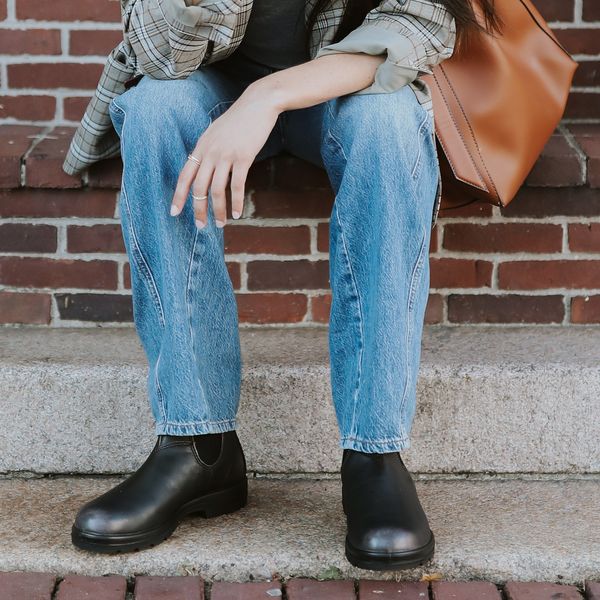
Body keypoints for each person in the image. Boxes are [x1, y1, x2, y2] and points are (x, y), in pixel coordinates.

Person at [64, 0, 499, 570]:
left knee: (390, 124)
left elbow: (415, 27)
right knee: (154, 109)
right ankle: (197, 445)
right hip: (210, 85)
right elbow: (159, 52)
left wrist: (265, 97)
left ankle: (375, 455)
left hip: (350, 87)